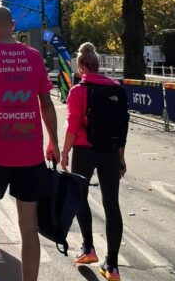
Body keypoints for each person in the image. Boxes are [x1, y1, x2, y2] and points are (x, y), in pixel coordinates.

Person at [0, 6, 60, 281]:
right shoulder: (33, 56)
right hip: (30, 153)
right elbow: (46, 103)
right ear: (14, 24)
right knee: (28, 225)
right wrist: (54, 141)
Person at [60, 42, 127, 281]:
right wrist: (121, 156)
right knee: (112, 206)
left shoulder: (78, 91)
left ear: (81, 68)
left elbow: (73, 125)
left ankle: (88, 248)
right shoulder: (117, 88)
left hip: (84, 151)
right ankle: (113, 265)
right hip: (110, 151)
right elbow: (123, 126)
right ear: (98, 65)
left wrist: (64, 152)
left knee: (79, 197)